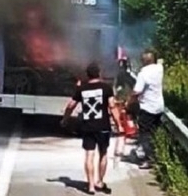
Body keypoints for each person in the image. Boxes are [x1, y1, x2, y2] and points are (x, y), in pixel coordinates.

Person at [61, 63, 123, 195]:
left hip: (87, 126)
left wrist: (65, 119)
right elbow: (112, 107)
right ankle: (100, 181)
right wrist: (119, 125)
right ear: (99, 74)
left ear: (87, 75)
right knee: (103, 153)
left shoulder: (82, 89)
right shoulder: (106, 88)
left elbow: (71, 105)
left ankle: (90, 186)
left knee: (89, 155)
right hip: (103, 126)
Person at [126, 48, 164, 169]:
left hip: (147, 108)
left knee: (145, 134)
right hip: (159, 107)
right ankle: (157, 157)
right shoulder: (159, 69)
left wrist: (129, 102)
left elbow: (137, 91)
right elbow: (160, 62)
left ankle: (149, 160)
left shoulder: (143, 74)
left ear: (144, 61)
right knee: (154, 133)